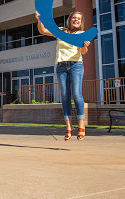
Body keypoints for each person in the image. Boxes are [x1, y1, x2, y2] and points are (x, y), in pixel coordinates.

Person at [35, 10, 91, 141]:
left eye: (78, 19)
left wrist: (84, 46)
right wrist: (39, 19)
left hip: (76, 64)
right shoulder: (61, 31)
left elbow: (83, 51)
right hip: (61, 66)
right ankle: (69, 127)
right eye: (74, 18)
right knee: (65, 95)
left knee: (76, 94)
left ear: (81, 22)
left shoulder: (82, 34)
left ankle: (81, 126)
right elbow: (43, 31)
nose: (76, 20)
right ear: (70, 19)